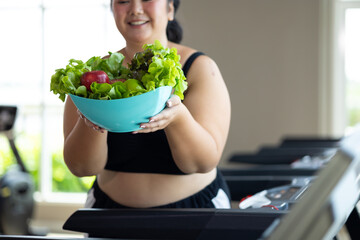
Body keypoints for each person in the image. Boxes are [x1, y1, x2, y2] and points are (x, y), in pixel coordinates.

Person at [63, 0, 231, 209]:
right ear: (113, 10)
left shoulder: (200, 67)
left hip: (194, 212)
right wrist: (94, 115)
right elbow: (81, 167)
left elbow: (202, 163)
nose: (135, 9)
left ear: (170, 9)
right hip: (108, 214)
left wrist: (178, 118)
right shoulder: (91, 75)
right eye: (123, 1)